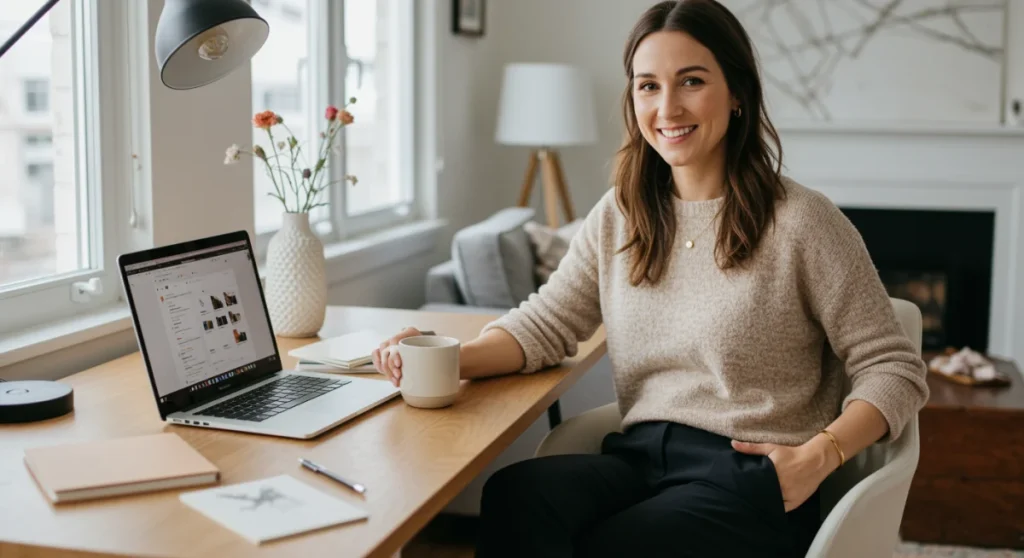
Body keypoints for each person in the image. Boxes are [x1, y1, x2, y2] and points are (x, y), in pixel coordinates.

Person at [372, 0, 929, 556]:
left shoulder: (802, 221)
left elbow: (894, 368)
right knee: (517, 496)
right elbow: (545, 325)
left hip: (752, 476)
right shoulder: (621, 214)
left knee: (616, 546)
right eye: (648, 86)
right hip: (641, 456)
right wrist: (441, 358)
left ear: (737, 92)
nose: (667, 107)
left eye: (691, 81)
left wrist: (820, 454)